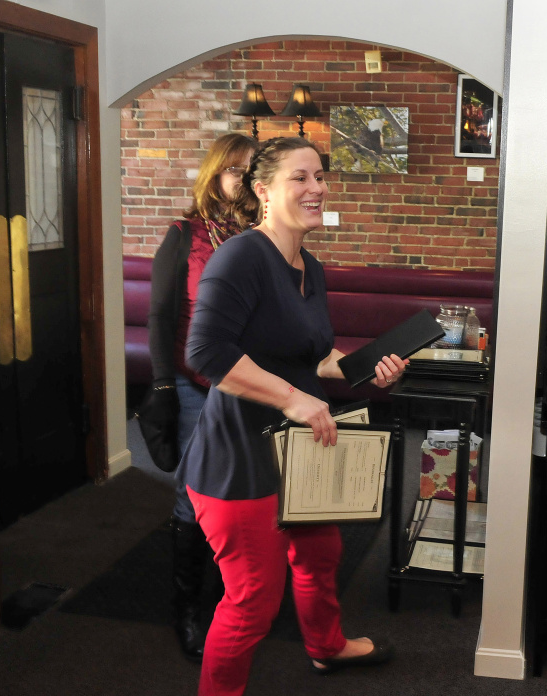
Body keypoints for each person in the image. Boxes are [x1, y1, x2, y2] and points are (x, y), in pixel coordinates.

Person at [178, 137, 405, 695]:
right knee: (254, 598)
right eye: (300, 178)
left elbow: (311, 356)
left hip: (298, 449)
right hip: (241, 457)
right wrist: (291, 399)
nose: (316, 188)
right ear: (263, 190)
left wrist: (362, 369)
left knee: (320, 552)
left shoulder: (310, 267)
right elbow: (205, 354)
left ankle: (327, 646)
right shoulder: (242, 255)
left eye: (320, 176)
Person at [147, 132, 256, 661]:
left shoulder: (260, 237)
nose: (243, 181)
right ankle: (189, 611)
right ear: (214, 174)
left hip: (252, 386)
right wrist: (163, 385)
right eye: (235, 170)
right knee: (194, 496)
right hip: (195, 386)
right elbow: (160, 315)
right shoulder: (184, 234)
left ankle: (231, 600)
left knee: (240, 492)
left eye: (251, 172)